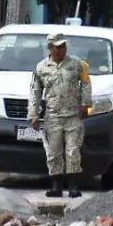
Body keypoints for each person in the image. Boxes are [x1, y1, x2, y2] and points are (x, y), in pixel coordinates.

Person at [29, 33, 92, 198]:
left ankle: (73, 186)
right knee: (54, 152)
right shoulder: (41, 68)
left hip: (72, 116)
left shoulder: (77, 64)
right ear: (50, 48)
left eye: (63, 46)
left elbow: (86, 83)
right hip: (53, 116)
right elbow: (35, 92)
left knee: (73, 151)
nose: (61, 49)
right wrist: (33, 114)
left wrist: (86, 104)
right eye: (58, 47)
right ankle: (56, 186)